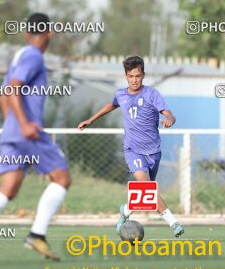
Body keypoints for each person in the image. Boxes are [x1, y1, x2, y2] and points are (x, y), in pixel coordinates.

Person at [0, 13, 70, 262]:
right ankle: (36, 235)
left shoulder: (19, 56)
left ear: (26, 32)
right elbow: (13, 89)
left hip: (13, 131)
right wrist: (24, 124)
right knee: (62, 178)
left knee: (8, 188)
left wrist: (12, 124)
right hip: (26, 130)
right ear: (49, 33)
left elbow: (3, 95)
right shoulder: (33, 56)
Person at [78, 56, 185, 237]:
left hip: (153, 152)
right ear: (126, 76)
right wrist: (90, 120)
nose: (134, 80)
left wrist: (169, 119)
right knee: (147, 188)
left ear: (143, 75)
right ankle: (174, 223)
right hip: (133, 151)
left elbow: (169, 114)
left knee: (145, 195)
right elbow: (111, 105)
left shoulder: (152, 94)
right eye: (130, 76)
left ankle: (125, 211)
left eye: (138, 76)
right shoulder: (121, 95)